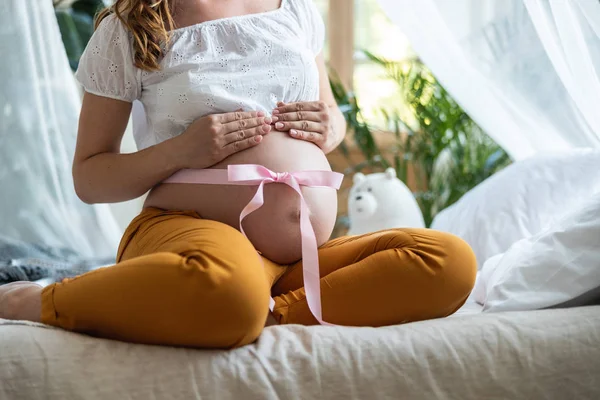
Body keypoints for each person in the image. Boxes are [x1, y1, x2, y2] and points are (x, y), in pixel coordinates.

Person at [0, 0, 476, 349]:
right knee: (230, 290)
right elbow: (90, 178)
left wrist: (333, 126)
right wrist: (182, 150)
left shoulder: (294, 9)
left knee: (448, 260)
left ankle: (264, 310)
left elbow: (328, 119)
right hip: (187, 228)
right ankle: (41, 302)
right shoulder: (131, 27)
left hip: (293, 264)